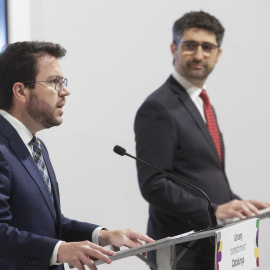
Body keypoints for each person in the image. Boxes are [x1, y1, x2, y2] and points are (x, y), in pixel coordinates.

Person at [0, 41, 153, 270]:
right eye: (54, 82)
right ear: (20, 91)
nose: (65, 91)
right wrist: (60, 250)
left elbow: (49, 225)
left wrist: (103, 235)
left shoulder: (35, 145)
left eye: (63, 82)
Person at [134, 11, 270, 269]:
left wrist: (236, 203)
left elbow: (200, 174)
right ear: (174, 48)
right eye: (190, 45)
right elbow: (154, 184)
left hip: (212, 249)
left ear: (218, 54)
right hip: (182, 252)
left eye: (207, 47)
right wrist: (215, 211)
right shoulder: (158, 108)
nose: (198, 55)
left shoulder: (200, 102)